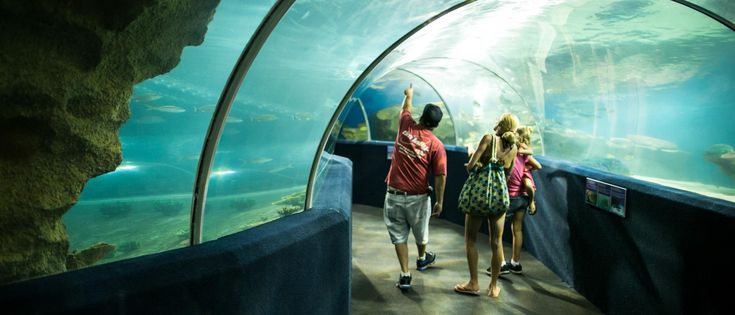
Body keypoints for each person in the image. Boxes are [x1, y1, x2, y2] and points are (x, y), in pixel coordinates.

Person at [384, 84, 447, 291]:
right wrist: (439, 201)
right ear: (436, 125)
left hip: (393, 194)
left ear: (421, 117)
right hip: (418, 198)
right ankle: (422, 258)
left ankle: (404, 274)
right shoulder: (436, 145)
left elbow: (406, 107)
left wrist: (409, 94)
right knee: (421, 233)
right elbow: (440, 176)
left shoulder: (406, 125)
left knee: (399, 236)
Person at [454, 113, 518, 298]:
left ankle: (473, 283)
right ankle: (494, 286)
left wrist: (471, 155)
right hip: (499, 197)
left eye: (497, 120)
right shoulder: (513, 148)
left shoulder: (488, 138)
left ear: (500, 124)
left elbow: (471, 166)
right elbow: (508, 173)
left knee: (471, 239)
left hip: (481, 197)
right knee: (496, 242)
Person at [489, 126, 542, 276]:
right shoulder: (524, 155)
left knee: (496, 233)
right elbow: (538, 165)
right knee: (517, 229)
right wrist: (526, 169)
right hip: (522, 197)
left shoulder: (508, 152)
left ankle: (501, 264)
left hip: (508, 198)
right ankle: (515, 263)